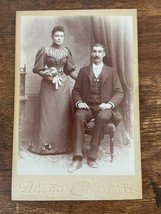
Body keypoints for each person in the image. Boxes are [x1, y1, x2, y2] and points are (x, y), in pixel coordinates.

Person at [68, 43, 124, 173]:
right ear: (91, 53)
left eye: (99, 52)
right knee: (78, 116)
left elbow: (119, 92)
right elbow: (75, 91)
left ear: (104, 54)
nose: (97, 54)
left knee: (103, 117)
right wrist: (79, 102)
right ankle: (77, 157)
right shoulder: (83, 71)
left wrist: (109, 104)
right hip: (87, 106)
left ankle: (92, 156)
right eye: (94, 51)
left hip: (104, 107)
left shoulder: (112, 71)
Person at [29, 26, 76, 155]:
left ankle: (63, 146)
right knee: (47, 114)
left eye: (61, 36)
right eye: (56, 36)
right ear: (52, 37)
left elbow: (69, 71)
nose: (59, 38)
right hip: (48, 86)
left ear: (63, 37)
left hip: (63, 86)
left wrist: (80, 80)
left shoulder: (66, 51)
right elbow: (38, 69)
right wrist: (51, 76)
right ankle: (45, 147)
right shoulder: (45, 50)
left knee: (62, 114)